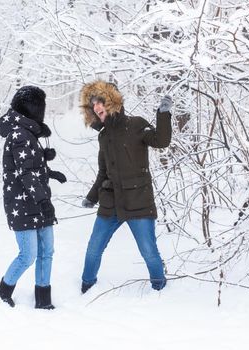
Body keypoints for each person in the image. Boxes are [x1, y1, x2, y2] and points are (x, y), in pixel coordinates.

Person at [79, 80, 172, 293]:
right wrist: (92, 197)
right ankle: (86, 286)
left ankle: (159, 287)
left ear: (112, 102)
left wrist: (163, 114)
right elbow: (104, 172)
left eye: (100, 101)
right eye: (92, 104)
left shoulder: (137, 124)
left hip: (138, 200)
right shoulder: (103, 136)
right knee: (94, 248)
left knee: (148, 251)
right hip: (110, 202)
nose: (96, 107)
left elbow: (161, 140)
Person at [0, 85, 66, 309]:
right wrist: (44, 201)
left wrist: (48, 168)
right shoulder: (19, 134)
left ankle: (43, 300)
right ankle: (3, 292)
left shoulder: (28, 134)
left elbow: (30, 167)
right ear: (32, 109)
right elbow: (23, 173)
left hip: (37, 200)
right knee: (28, 255)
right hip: (24, 204)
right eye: (41, 107)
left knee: (48, 252)